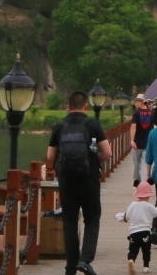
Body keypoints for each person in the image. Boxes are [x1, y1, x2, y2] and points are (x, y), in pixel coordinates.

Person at [46, 90, 107, 275]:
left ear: (68, 107)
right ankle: (85, 260)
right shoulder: (92, 124)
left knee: (70, 221)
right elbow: (108, 152)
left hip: (67, 181)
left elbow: (50, 156)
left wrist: (57, 168)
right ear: (85, 106)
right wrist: (97, 161)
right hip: (89, 179)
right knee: (92, 218)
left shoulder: (59, 126)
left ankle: (71, 267)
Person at [115, 180, 157, 275]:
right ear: (149, 195)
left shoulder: (132, 205)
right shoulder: (149, 206)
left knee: (133, 250)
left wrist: (118, 216)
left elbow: (126, 217)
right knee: (146, 251)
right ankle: (146, 267)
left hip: (133, 233)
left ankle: (131, 260)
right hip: (145, 233)